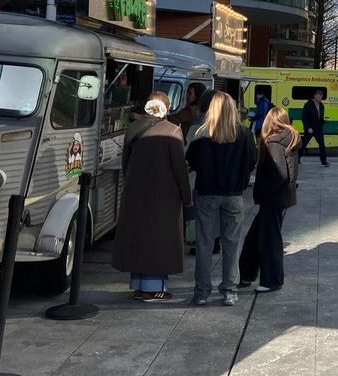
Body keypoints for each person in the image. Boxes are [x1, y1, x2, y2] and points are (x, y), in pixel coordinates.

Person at [111, 92, 191, 302]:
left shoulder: (132, 129)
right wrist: (186, 196)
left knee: (138, 240)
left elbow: (126, 163)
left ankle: (138, 286)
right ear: (166, 108)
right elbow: (179, 169)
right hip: (164, 197)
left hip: (135, 193)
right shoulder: (173, 131)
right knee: (158, 243)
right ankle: (153, 289)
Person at [186, 91, 256, 307]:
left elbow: (191, 161)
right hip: (233, 194)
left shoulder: (201, 133)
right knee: (232, 244)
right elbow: (252, 160)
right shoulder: (244, 134)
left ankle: (202, 292)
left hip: (207, 192)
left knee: (205, 243)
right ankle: (229, 290)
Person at [244, 107, 300, 292]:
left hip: (273, 197)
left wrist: (264, 192)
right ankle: (246, 274)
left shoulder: (274, 141)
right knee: (257, 236)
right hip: (282, 197)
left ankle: (271, 280)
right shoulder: (289, 137)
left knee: (268, 240)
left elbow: (280, 173)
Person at [298, 89, 329, 166]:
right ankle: (297, 158)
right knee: (304, 144)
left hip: (318, 128)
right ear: (314, 96)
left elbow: (320, 117)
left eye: (321, 97)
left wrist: (324, 120)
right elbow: (304, 117)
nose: (320, 99)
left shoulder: (321, 105)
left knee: (322, 145)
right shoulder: (308, 104)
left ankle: (324, 161)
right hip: (310, 129)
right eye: (318, 97)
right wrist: (308, 128)